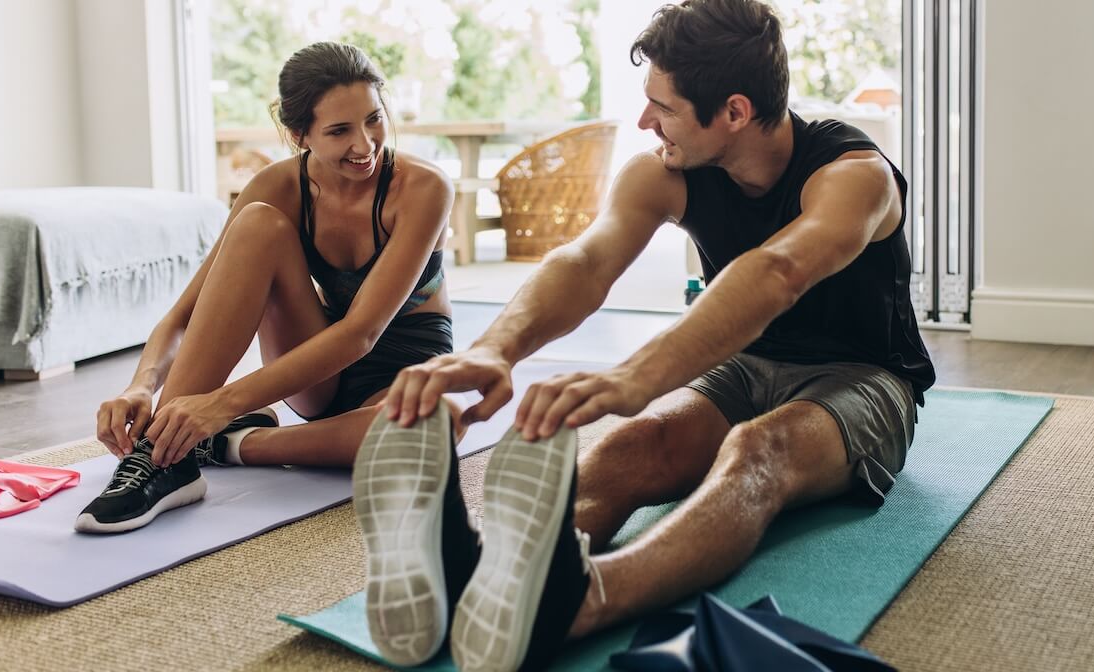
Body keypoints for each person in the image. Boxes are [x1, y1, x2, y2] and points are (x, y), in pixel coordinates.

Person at [351, 1, 936, 669]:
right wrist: (495, 348)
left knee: (756, 451)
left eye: (662, 105)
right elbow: (586, 261)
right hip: (747, 366)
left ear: (735, 112)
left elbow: (777, 273)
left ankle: (580, 602)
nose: (643, 121)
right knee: (638, 442)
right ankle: (482, 572)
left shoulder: (855, 176)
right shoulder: (665, 170)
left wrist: (635, 376)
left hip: (864, 379)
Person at [75, 42, 459, 534]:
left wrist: (221, 407)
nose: (365, 145)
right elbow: (185, 313)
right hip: (316, 365)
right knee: (257, 224)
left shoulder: (424, 188)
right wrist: (141, 385)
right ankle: (162, 458)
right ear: (299, 134)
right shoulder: (277, 187)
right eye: (340, 131)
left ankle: (223, 444)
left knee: (433, 427)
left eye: (374, 119)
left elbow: (361, 333)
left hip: (404, 369)